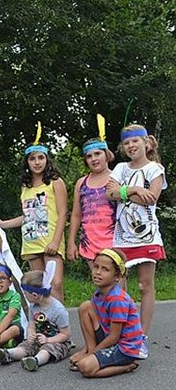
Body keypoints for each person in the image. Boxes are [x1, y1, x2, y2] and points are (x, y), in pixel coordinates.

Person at [105, 124, 166, 359]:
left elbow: (151, 199)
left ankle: (142, 337)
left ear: (146, 143)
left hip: (147, 236)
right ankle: (122, 334)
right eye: (127, 143)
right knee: (119, 288)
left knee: (145, 286)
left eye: (136, 141)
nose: (131, 146)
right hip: (122, 238)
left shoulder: (155, 169)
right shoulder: (120, 168)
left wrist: (123, 192)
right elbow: (108, 194)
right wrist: (135, 189)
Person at [0, 126, 67, 302]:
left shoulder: (55, 183)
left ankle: (62, 326)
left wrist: (56, 241)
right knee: (38, 287)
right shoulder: (25, 188)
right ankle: (46, 326)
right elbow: (29, 216)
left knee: (55, 284)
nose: (37, 162)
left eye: (41, 158)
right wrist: (3, 223)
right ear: (27, 162)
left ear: (47, 160)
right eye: (32, 159)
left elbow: (62, 213)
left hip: (50, 240)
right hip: (32, 242)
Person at [69, 249, 143, 377]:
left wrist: (91, 357)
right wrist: (89, 352)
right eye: (96, 267)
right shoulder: (99, 293)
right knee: (85, 307)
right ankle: (90, 349)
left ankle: (127, 366)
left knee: (84, 367)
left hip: (124, 348)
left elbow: (114, 336)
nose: (97, 272)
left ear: (117, 276)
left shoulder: (117, 299)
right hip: (109, 337)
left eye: (105, 269)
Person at [0, 264, 72, 372]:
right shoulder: (33, 307)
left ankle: (36, 360)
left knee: (47, 350)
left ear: (35, 295)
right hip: (38, 339)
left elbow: (66, 334)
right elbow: (32, 325)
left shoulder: (59, 310)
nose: (24, 296)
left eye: (25, 294)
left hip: (57, 341)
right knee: (26, 346)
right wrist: (30, 334)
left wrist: (48, 340)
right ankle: (9, 354)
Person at [67, 137, 116, 268]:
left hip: (115, 241)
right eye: (89, 156)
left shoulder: (117, 177)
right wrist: (71, 242)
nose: (94, 159)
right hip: (90, 242)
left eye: (98, 154)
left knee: (117, 284)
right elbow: (76, 215)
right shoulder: (81, 183)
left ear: (106, 154)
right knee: (99, 282)